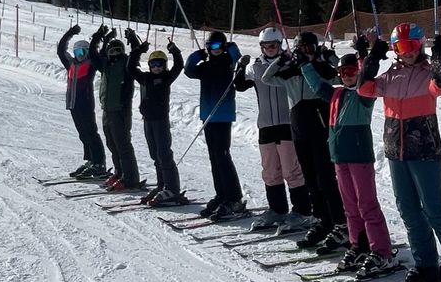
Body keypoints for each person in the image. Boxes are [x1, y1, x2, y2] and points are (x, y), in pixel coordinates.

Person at [358, 24, 441, 282]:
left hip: (424, 150)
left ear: (421, 46)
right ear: (394, 50)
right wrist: (373, 56)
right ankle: (426, 267)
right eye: (401, 48)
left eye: (412, 47)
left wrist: (439, 55)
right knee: (409, 211)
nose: (408, 53)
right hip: (395, 152)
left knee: (435, 212)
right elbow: (363, 88)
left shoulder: (428, 73)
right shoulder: (391, 75)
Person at [302, 51, 393, 271]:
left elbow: (366, 80)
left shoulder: (364, 95)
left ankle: (381, 250)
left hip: (359, 157)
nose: (347, 76)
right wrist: (305, 65)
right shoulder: (336, 94)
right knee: (350, 206)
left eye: (351, 71)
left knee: (367, 205)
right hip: (339, 157)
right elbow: (317, 85)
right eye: (343, 72)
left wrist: (365, 57)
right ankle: (358, 244)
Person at [262, 31, 348, 252]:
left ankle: (340, 223)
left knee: (326, 179)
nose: (306, 53)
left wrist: (330, 58)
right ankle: (321, 221)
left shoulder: (321, 69)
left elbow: (342, 77)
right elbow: (266, 78)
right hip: (298, 130)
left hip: (319, 128)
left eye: (311, 48)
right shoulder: (291, 70)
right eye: (302, 49)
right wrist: (281, 59)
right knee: (310, 179)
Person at [235, 27, 314, 230]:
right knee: (270, 171)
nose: (269, 49)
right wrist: (239, 69)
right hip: (266, 125)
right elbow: (241, 85)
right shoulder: (256, 66)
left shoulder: (288, 64)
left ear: (280, 45)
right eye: (265, 46)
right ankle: (277, 209)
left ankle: (302, 211)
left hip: (288, 124)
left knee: (292, 170)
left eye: (273, 45)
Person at [185, 30, 246, 220]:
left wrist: (231, 48)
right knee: (214, 157)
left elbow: (239, 58)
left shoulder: (229, 63)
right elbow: (188, 69)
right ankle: (221, 194)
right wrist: (199, 55)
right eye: (212, 46)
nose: (215, 50)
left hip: (223, 114)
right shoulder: (204, 66)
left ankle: (234, 198)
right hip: (208, 116)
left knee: (223, 156)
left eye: (219, 46)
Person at [126, 29, 188, 205]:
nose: (156, 68)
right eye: (153, 64)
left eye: (160, 64)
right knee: (155, 155)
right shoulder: (144, 78)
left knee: (164, 154)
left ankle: (172, 189)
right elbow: (130, 68)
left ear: (164, 65)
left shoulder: (167, 78)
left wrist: (175, 51)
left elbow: (179, 66)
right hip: (148, 121)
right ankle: (162, 185)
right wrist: (138, 50)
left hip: (161, 121)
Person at [57, 24, 109, 180]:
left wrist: (102, 39)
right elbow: (60, 50)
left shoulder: (90, 64)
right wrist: (70, 33)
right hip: (73, 104)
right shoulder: (71, 64)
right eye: (77, 52)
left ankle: (99, 163)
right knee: (83, 134)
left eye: (83, 52)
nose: (80, 55)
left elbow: (97, 54)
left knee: (91, 133)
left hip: (85, 104)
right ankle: (90, 160)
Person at [98, 30, 139, 191]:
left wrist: (133, 39)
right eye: (112, 50)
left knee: (123, 145)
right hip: (107, 109)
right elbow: (97, 55)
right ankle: (120, 172)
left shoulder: (127, 64)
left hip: (121, 110)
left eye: (118, 50)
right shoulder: (106, 65)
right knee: (111, 143)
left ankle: (131, 178)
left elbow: (135, 56)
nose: (115, 53)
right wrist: (104, 38)